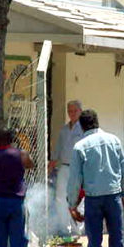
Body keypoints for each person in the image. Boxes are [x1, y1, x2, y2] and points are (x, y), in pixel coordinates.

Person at [67, 109, 124, 247]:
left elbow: (75, 180)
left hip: (93, 199)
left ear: (81, 126)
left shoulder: (80, 147)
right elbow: (123, 168)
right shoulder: (114, 140)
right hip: (113, 196)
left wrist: (72, 204)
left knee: (94, 240)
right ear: (97, 122)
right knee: (116, 237)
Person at [49, 100, 84, 235]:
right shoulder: (64, 129)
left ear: (80, 112)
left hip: (79, 167)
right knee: (60, 197)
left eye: (75, 111)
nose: (72, 113)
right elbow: (58, 149)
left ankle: (78, 229)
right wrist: (51, 165)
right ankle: (65, 228)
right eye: (70, 111)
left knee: (78, 198)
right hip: (64, 167)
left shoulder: (83, 129)